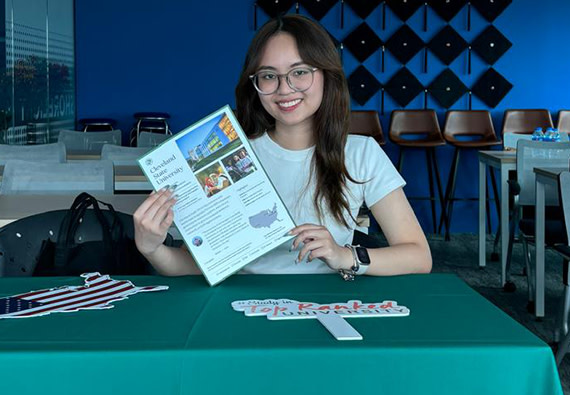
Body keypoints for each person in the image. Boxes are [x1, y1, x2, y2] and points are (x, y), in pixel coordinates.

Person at [133, 15, 432, 277]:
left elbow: (418, 256)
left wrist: (344, 255)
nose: (284, 88)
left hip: (329, 306)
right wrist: (152, 248)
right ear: (255, 84)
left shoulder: (361, 153)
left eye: (300, 72)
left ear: (326, 75)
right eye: (268, 76)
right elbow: (193, 265)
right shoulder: (227, 156)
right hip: (243, 308)